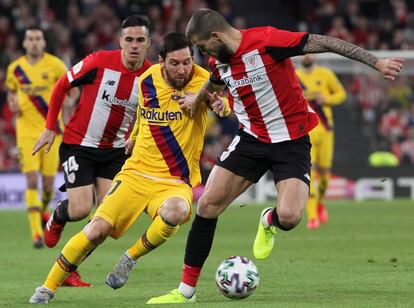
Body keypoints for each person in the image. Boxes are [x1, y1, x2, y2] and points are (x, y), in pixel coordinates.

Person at [147, 8, 404, 304]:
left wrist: (377, 62)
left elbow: (325, 42)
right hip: (251, 140)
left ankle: (269, 219)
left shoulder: (268, 41)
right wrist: (199, 97)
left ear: (216, 36)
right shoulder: (220, 61)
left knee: (291, 216)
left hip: (291, 142)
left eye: (204, 47)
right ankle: (185, 292)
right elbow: (216, 81)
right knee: (206, 206)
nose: (204, 55)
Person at [28, 32, 229, 304]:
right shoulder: (147, 80)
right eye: (175, 63)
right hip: (134, 174)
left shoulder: (203, 81)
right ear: (160, 62)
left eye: (187, 62)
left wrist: (220, 105)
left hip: (174, 180)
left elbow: (224, 104)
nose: (183, 69)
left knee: (177, 211)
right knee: (95, 229)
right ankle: (47, 287)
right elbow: (144, 115)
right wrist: (134, 135)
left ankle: (130, 257)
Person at [31, 15, 152, 287]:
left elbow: (150, 116)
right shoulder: (98, 62)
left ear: (149, 43)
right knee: (81, 208)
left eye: (140, 40)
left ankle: (69, 268)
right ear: (120, 41)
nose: (134, 45)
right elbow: (62, 85)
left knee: (106, 222)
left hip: (115, 152)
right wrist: (51, 127)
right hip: (79, 145)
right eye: (129, 39)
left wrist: (136, 139)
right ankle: (59, 215)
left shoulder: (150, 77)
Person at [5, 26, 75, 249]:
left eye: (37, 39)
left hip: (51, 130)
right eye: (30, 39)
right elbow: (11, 92)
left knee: (46, 186)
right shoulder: (15, 69)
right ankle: (36, 233)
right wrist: (12, 102)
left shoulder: (55, 65)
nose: (34, 42)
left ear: (43, 43)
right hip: (26, 132)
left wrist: (70, 102)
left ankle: (44, 210)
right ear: (24, 44)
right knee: (32, 180)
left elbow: (71, 88)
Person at [295, 54, 347, 229]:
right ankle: (312, 216)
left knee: (324, 176)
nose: (307, 56)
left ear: (315, 56)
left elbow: (341, 94)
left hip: (325, 129)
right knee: (311, 172)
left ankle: (319, 202)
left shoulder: (326, 74)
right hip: (306, 130)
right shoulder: (294, 75)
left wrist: (327, 98)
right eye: (304, 53)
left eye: (310, 53)